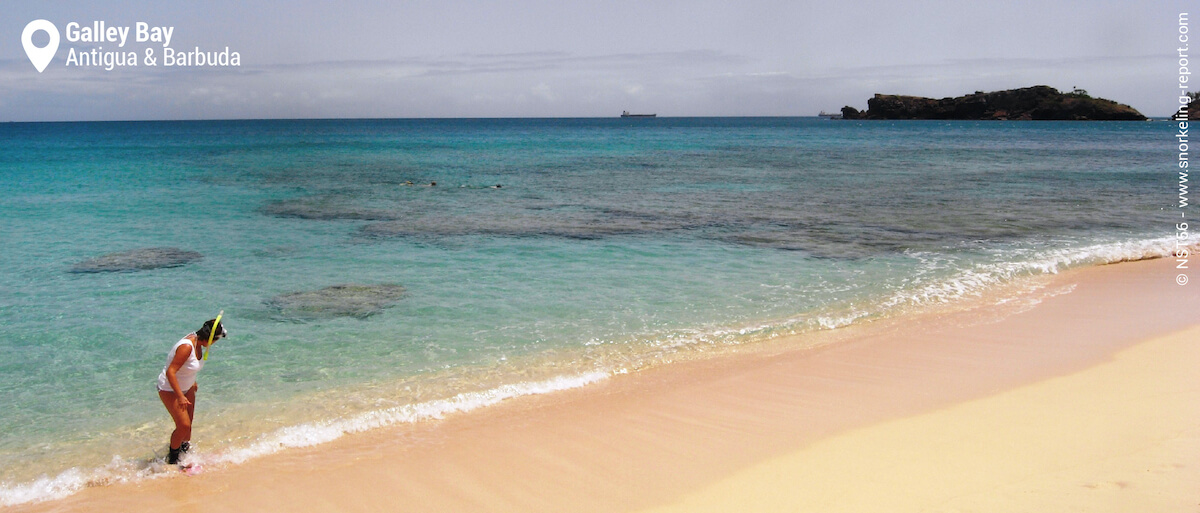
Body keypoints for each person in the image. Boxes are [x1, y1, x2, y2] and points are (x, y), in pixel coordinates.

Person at [156, 317, 227, 464]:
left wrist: (192, 382)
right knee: (183, 426)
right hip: (170, 389)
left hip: (186, 388)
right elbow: (171, 371)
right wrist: (180, 396)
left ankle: (184, 455)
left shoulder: (199, 344)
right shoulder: (187, 347)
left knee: (188, 428)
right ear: (210, 338)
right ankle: (173, 460)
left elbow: (187, 367)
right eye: (215, 340)